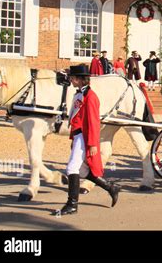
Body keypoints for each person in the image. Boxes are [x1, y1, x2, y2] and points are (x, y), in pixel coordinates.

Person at [54, 65, 120, 215]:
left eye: (73, 78)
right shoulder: (79, 95)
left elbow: (93, 122)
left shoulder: (90, 97)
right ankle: (111, 187)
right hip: (78, 135)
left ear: (79, 79)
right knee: (82, 170)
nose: (70, 80)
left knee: (72, 168)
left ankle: (72, 205)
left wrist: (91, 143)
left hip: (84, 137)